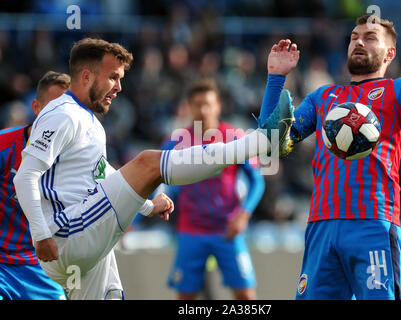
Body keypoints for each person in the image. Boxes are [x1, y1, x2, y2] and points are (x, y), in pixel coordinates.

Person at [13, 38, 295, 299]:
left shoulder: (88, 122)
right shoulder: (62, 114)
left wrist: (147, 206)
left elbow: (101, 174)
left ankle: (261, 140)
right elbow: (25, 176)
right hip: (65, 235)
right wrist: (41, 236)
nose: (119, 87)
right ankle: (260, 141)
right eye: (113, 77)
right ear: (86, 76)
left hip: (79, 238)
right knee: (148, 162)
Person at [258, 15, 401, 300]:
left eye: (370, 38)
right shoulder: (323, 97)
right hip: (321, 226)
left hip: (372, 224)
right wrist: (275, 79)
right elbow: (270, 143)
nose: (358, 41)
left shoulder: (400, 90)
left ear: (390, 53)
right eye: (354, 37)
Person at [164, 79, 265, 300]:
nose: (203, 110)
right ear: (188, 106)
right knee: (186, 298)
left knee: (246, 296)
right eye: (197, 104)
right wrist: (138, 218)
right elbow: (158, 183)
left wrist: (244, 215)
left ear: (218, 105)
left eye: (207, 104)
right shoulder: (175, 142)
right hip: (191, 229)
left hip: (227, 229)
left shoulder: (234, 138)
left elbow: (257, 181)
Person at [0, 71, 70, 300]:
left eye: (67, 110)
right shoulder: (4, 145)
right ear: (36, 107)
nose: (60, 117)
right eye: (53, 108)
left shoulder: (76, 157)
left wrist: (146, 205)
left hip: (40, 267)